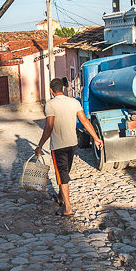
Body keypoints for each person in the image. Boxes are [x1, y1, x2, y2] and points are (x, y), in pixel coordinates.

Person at [35, 77, 102, 216]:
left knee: (62, 174)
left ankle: (67, 208)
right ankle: (60, 197)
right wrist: (96, 138)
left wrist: (40, 145)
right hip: (72, 144)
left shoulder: (50, 105)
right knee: (64, 173)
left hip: (58, 146)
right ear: (63, 89)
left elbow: (49, 127)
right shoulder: (73, 102)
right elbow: (84, 121)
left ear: (51, 90)